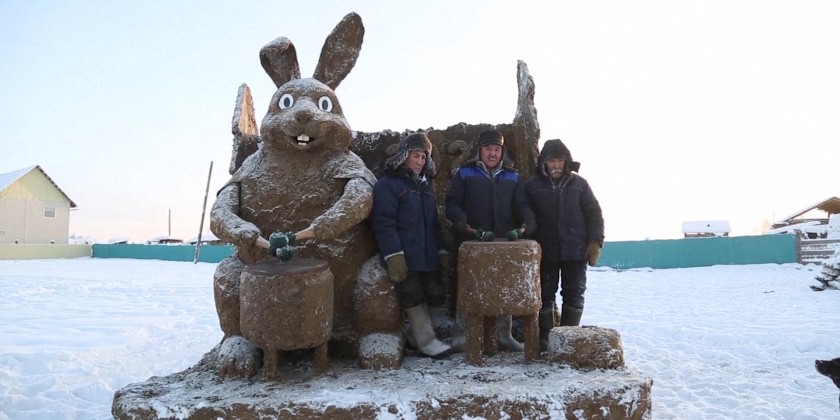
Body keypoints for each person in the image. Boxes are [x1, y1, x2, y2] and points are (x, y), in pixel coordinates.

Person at [445, 129, 535, 352]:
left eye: (496, 149)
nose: (492, 153)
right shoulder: (465, 173)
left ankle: (504, 335)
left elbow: (521, 204)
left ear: (502, 151)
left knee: (503, 285)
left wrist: (527, 219)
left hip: (502, 240)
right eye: (488, 149)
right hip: (471, 240)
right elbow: (453, 202)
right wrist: (460, 220)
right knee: (468, 287)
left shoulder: (513, 176)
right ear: (480, 151)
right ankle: (462, 336)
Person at [372, 132, 453, 359]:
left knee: (437, 293)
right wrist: (393, 254)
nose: (420, 162)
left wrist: (441, 249)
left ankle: (414, 336)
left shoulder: (425, 186)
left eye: (423, 158)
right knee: (413, 295)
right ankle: (426, 342)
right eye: (416, 156)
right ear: (403, 156)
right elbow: (384, 222)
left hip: (427, 254)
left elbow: (434, 224)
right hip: (404, 254)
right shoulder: (387, 185)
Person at [522, 139, 604, 350]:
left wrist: (595, 242)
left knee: (575, 293)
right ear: (544, 164)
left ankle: (568, 341)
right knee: (545, 295)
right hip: (545, 252)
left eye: (560, 160)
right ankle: (546, 341)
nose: (556, 165)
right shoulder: (532, 186)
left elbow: (594, 214)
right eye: (551, 161)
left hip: (576, 252)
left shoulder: (580, 184)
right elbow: (523, 211)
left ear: (567, 162)